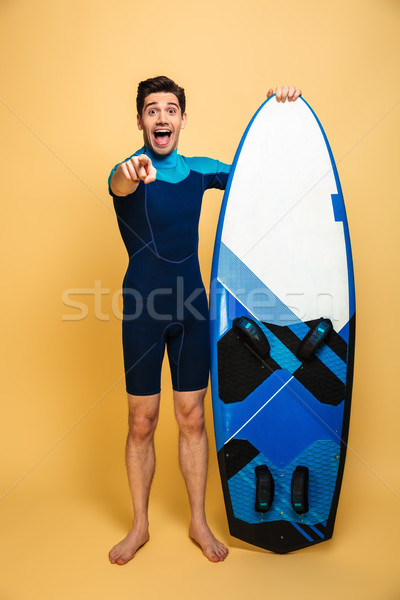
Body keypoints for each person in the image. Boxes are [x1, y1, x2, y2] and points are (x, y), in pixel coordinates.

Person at [107, 76, 302, 565]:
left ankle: (197, 520)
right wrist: (131, 171)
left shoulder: (199, 172)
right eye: (151, 110)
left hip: (193, 311)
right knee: (141, 421)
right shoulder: (131, 170)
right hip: (143, 313)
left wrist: (278, 116)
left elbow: (256, 175)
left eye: (170, 109)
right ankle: (140, 525)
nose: (161, 118)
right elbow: (119, 182)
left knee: (192, 418)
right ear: (140, 121)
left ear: (183, 120)